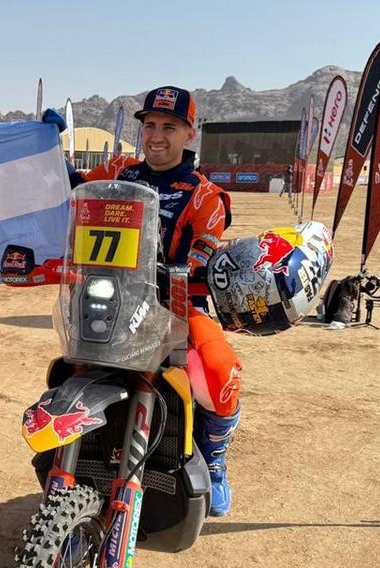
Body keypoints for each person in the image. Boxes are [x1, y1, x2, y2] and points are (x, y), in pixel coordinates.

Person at [66, 86, 241, 516]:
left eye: (169, 126)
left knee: (217, 369)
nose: (156, 135)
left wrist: (192, 267)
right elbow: (68, 192)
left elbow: (205, 249)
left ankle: (213, 459)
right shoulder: (117, 171)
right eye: (149, 126)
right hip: (106, 299)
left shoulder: (205, 196)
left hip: (174, 306)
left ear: (189, 132)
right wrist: (46, 153)